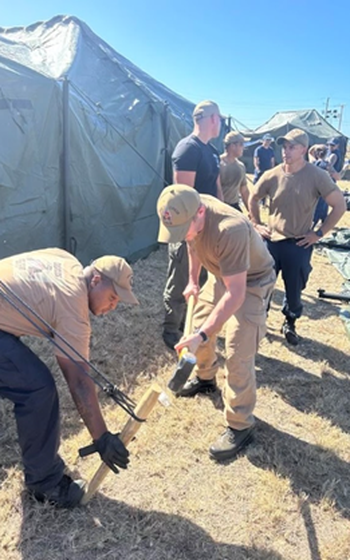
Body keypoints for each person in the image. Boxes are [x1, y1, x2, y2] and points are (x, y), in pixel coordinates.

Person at [0, 248, 139, 508]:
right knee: (37, 390)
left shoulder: (65, 259)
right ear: (95, 280)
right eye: (112, 297)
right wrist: (102, 438)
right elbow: (78, 382)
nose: (113, 306)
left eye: (118, 302)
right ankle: (44, 483)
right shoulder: (73, 303)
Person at [157, 185, 276, 461]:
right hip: (221, 275)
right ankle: (205, 377)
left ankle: (240, 424)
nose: (182, 234)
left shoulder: (229, 228)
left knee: (237, 354)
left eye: (184, 228)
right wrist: (192, 280)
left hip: (251, 283)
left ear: (201, 213)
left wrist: (203, 333)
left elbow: (237, 293)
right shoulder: (187, 211)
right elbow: (192, 244)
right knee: (199, 328)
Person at [249, 129, 346, 346]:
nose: (286, 151)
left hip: (298, 244)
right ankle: (258, 323)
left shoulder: (316, 176)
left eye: (292, 147)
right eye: (284, 147)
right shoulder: (272, 174)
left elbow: (339, 205)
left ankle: (289, 322)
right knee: (261, 287)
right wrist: (256, 223)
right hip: (270, 243)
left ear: (304, 149)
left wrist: (319, 233)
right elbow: (253, 198)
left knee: (294, 291)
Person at [162, 100, 223, 350]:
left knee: (203, 280)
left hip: (208, 228)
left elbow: (216, 190)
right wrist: (190, 234)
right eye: (218, 119)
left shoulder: (212, 152)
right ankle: (171, 329)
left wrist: (220, 218)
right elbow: (182, 199)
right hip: (189, 228)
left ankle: (193, 325)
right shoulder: (188, 149)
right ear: (212, 119)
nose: (219, 123)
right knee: (181, 280)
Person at [219, 131, 250, 212]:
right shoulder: (217, 164)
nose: (243, 148)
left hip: (234, 207)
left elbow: (244, 191)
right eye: (241, 144)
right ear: (233, 146)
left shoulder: (241, 166)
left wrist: (251, 212)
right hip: (219, 207)